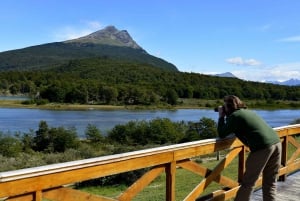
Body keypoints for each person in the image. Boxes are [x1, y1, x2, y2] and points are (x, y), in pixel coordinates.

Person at [217, 95, 281, 201]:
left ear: (228, 107)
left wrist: (221, 116)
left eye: (225, 106)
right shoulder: (248, 112)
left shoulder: (236, 116)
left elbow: (222, 133)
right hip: (276, 143)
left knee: (248, 183)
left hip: (262, 147)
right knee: (270, 181)